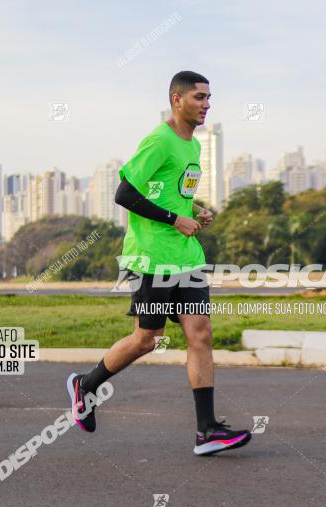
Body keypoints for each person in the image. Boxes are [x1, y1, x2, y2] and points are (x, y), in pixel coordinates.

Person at [65, 70, 251, 456]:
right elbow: (124, 193)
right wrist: (173, 219)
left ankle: (207, 431)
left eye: (209, 98)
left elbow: (169, 194)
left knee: (200, 333)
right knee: (146, 339)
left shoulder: (192, 147)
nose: (207, 104)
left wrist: (192, 210)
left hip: (186, 255)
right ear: (176, 99)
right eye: (199, 97)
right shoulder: (159, 140)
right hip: (153, 257)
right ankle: (86, 385)